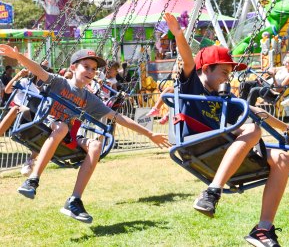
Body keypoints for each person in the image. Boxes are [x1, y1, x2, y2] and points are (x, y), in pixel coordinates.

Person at [164, 13, 289, 247]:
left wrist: (288, 129)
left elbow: (257, 112)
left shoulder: (224, 98)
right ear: (206, 68)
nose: (228, 78)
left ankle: (263, 229)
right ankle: (211, 192)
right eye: (225, 72)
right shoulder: (193, 84)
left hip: (221, 148)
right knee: (253, 130)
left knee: (283, 158)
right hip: (197, 143)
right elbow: (187, 60)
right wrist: (178, 35)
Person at [0, 45, 171, 224]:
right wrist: (17, 56)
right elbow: (38, 70)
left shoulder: (89, 98)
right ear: (73, 67)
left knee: (96, 144)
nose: (90, 71)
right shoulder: (59, 82)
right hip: (46, 124)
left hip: (66, 135)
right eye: (86, 66)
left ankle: (74, 200)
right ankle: (33, 180)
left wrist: (149, 133)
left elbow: (118, 117)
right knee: (62, 128)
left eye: (94, 69)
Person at [0, 63, 54, 176]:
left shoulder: (46, 90)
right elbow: (7, 90)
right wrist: (18, 75)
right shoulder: (25, 82)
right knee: (18, 109)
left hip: (33, 118)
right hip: (18, 113)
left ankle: (30, 161)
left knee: (47, 130)